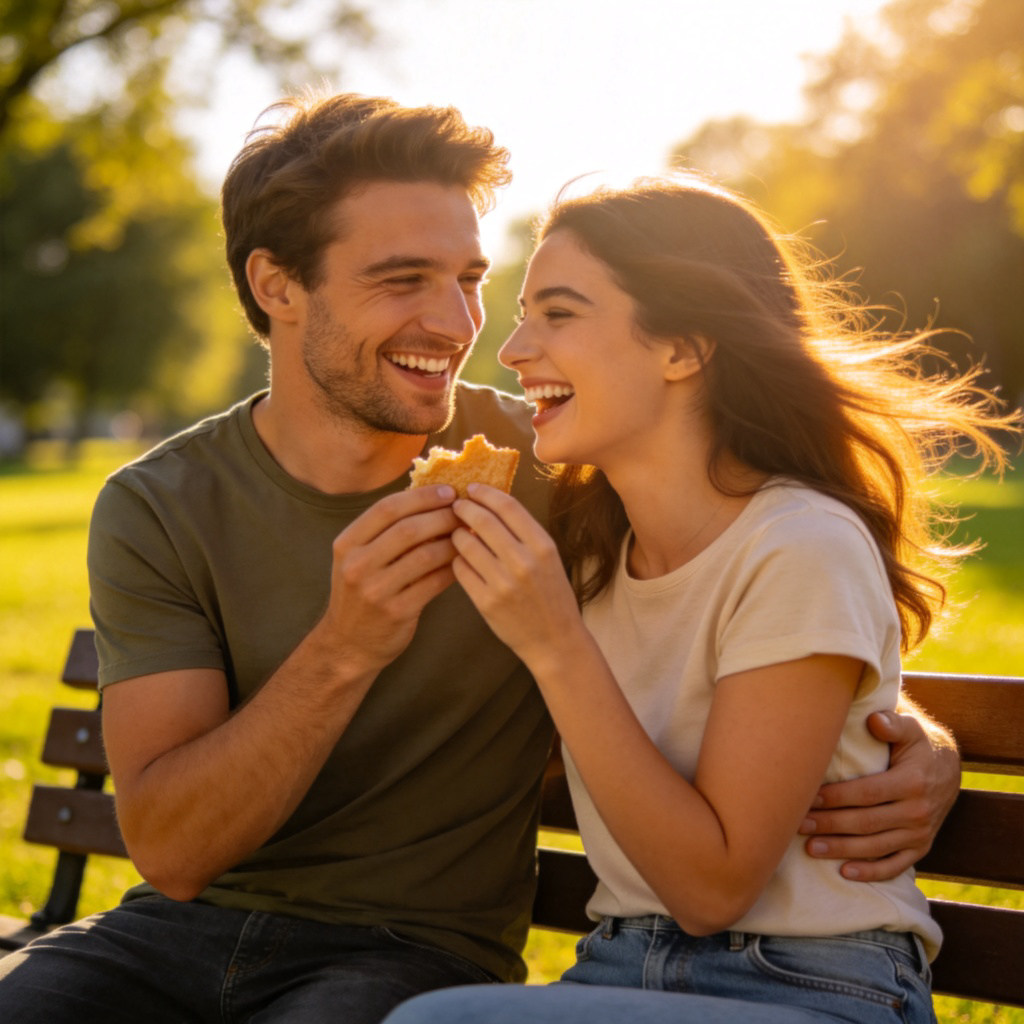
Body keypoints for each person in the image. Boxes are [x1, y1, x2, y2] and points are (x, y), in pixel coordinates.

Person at [0, 97, 958, 1024]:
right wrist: (346, 644)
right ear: (277, 286)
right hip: (179, 932)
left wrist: (917, 741)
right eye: (402, 279)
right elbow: (170, 852)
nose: (463, 328)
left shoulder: (564, 477)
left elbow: (755, 588)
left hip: (410, 950)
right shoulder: (159, 506)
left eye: (468, 278)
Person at [380, 175, 1018, 1024]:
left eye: (560, 314)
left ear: (685, 347)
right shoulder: (581, 547)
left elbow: (713, 890)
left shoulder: (799, 544)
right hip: (618, 971)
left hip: (809, 987)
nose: (514, 347)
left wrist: (553, 643)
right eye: (524, 312)